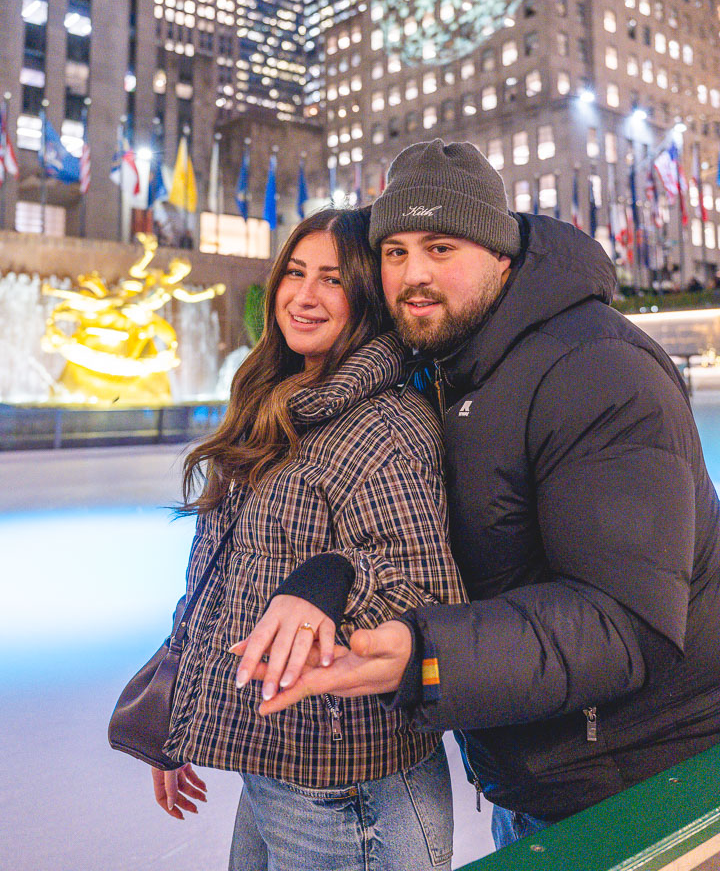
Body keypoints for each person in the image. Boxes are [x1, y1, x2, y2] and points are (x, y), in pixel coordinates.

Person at [238, 140, 720, 850]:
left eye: (440, 246)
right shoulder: (448, 368)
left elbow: (624, 622)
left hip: (651, 781)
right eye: (395, 252)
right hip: (543, 769)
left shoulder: (597, 369)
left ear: (501, 253)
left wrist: (426, 656)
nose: (414, 275)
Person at [151, 206, 466, 871]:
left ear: (366, 299)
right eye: (295, 273)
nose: (304, 295)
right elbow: (221, 574)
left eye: (332, 279)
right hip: (271, 761)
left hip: (350, 790)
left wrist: (331, 577)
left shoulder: (384, 426)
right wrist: (176, 711)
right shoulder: (277, 406)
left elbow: (427, 590)